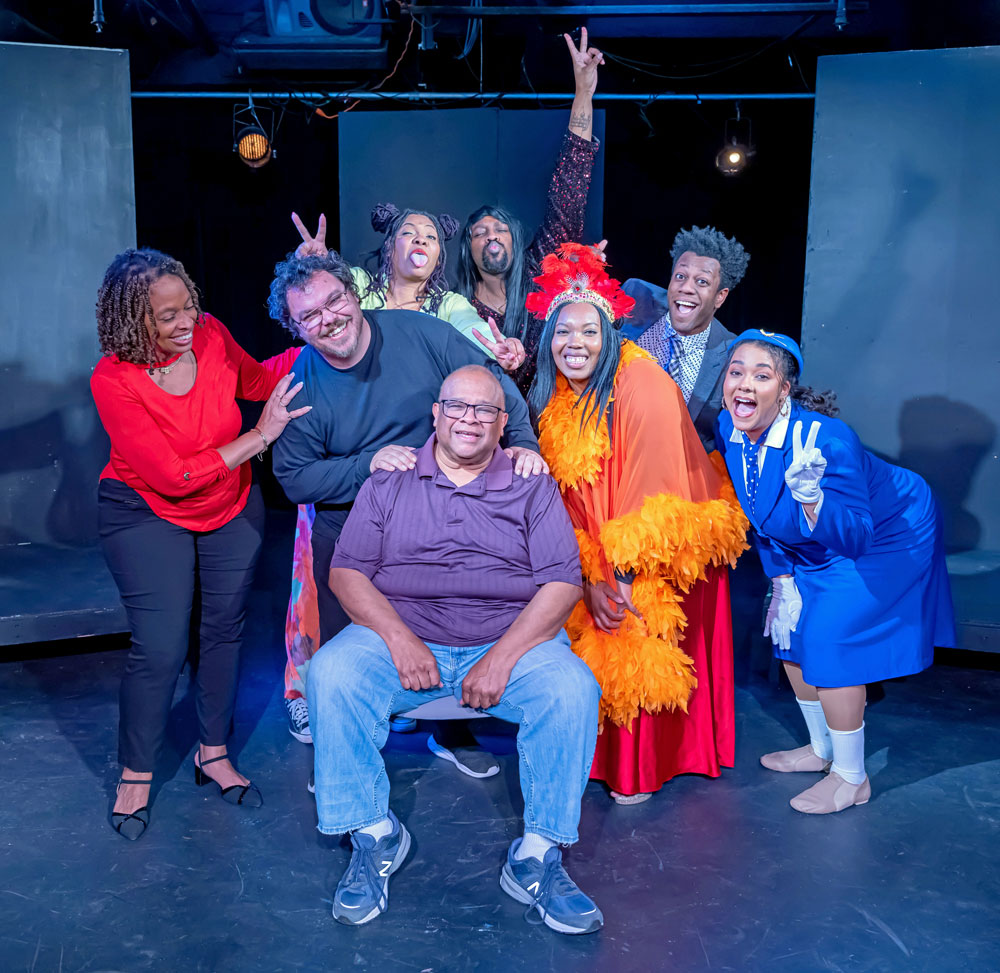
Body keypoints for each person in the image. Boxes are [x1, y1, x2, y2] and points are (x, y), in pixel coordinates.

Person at [309, 364, 603, 934]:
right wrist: (399, 638)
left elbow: (563, 583)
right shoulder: (389, 480)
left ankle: (537, 856)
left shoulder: (529, 483)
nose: (470, 419)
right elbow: (346, 574)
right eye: (458, 407)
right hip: (403, 633)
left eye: (485, 410)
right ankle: (373, 835)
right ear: (436, 414)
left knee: (572, 689)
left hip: (507, 638)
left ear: (501, 426)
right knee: (332, 674)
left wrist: (502, 656)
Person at [280, 209, 525, 776]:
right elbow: (295, 478)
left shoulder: (423, 333)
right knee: (353, 655)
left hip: (445, 515)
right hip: (354, 532)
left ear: (354, 293)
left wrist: (524, 443)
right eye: (309, 316)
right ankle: (351, 758)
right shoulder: (301, 384)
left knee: (452, 628)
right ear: (295, 327)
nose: (328, 319)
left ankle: (452, 729)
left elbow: (497, 387)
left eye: (334, 302)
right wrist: (367, 465)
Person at [91, 248, 310, 840]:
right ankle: (136, 774)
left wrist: (318, 320)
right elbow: (171, 476)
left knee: (223, 629)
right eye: (167, 316)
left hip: (229, 502)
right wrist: (260, 437)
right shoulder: (114, 378)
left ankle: (212, 752)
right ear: (133, 321)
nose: (186, 321)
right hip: (145, 509)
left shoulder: (210, 334)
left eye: (188, 305)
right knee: (160, 647)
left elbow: (261, 379)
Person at [527, 244, 748, 804]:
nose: (574, 344)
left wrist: (617, 581)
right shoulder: (555, 397)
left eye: (588, 333)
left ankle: (639, 770)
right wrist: (581, 577)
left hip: (655, 553)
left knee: (631, 635)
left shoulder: (641, 382)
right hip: (598, 552)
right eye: (562, 333)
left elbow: (652, 495)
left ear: (610, 337)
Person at [716, 330, 955, 813]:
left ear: (784, 389)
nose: (744, 384)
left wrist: (815, 499)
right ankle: (821, 749)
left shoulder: (825, 439)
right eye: (736, 371)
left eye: (762, 375)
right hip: (816, 537)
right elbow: (760, 514)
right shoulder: (729, 427)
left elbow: (857, 537)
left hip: (890, 531)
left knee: (829, 637)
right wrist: (782, 581)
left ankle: (851, 777)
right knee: (788, 635)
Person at [456, 28, 604, 389]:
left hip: (553, 428)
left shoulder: (540, 271)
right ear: (468, 249)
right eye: (480, 232)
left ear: (515, 240)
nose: (491, 235)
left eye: (500, 229)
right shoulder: (455, 309)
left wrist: (583, 92)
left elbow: (570, 185)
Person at [620, 225, 750, 452]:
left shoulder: (733, 353)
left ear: (720, 296)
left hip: (681, 473)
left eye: (702, 282)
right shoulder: (636, 298)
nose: (686, 288)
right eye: (680, 276)